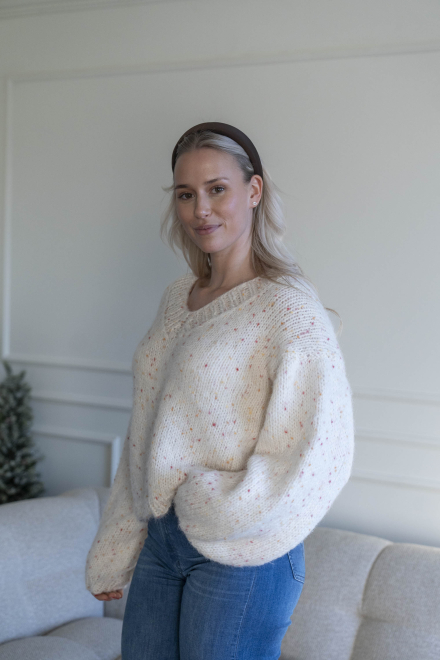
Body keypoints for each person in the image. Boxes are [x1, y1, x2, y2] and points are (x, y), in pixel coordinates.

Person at [85, 122, 355, 659]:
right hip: (163, 540)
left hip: (245, 551)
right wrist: (116, 544)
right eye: (186, 194)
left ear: (253, 191)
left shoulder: (287, 307)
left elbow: (322, 451)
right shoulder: (177, 297)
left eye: (217, 189)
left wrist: (216, 506)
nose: (200, 210)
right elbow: (146, 429)